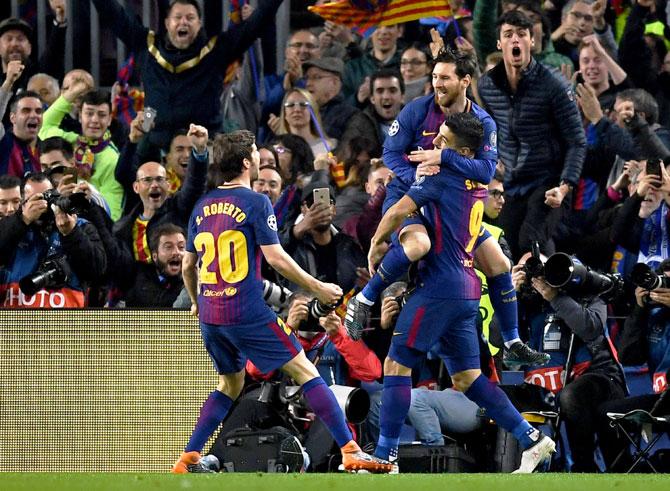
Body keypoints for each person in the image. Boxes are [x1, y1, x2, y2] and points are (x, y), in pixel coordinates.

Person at [173, 129, 393, 474]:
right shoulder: (255, 201)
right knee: (305, 370)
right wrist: (318, 287)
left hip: (212, 314)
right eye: (256, 152)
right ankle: (351, 451)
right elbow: (275, 258)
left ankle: (189, 457)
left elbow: (189, 264)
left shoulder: (202, 205)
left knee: (230, 384)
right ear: (247, 162)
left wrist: (199, 302)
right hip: (245, 309)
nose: (260, 156)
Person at [365, 112, 555, 473]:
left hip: (440, 287)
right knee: (467, 378)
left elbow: (399, 211)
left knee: (396, 364)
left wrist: (375, 243)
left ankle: (384, 455)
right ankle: (532, 438)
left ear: (463, 152)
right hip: (468, 288)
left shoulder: (443, 178)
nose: (435, 143)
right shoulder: (475, 183)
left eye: (443, 140)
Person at [346, 47, 546, 366]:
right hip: (410, 196)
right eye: (434, 77)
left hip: (453, 203)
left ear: (465, 81)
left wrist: (442, 158)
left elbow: (485, 170)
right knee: (418, 244)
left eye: (444, 78)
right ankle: (363, 300)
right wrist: (419, 176)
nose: (437, 84)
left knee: (499, 266)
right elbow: (391, 154)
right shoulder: (416, 110)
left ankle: (511, 342)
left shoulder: (482, 123)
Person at [90, 0, 285, 152]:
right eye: (178, 17)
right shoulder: (147, 46)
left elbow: (258, 22)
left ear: (199, 24)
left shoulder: (216, 51)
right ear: (167, 23)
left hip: (203, 147)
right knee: (127, 171)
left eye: (190, 18)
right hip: (155, 146)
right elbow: (112, 15)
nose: (183, 22)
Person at [478, 10, 586, 260]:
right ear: (499, 43)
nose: (515, 40)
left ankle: (554, 293)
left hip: (549, 181)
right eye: (508, 35)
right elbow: (491, 128)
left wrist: (564, 186)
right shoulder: (487, 85)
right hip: (512, 183)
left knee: (531, 241)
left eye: (521, 34)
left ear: (532, 41)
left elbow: (577, 142)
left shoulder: (554, 85)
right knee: (502, 246)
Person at [0, 172, 106, 308]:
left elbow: (97, 271)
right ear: (22, 202)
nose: (42, 205)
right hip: (15, 324)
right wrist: (23, 220)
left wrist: (70, 233)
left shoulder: (80, 226)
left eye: (46, 197)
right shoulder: (11, 227)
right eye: (35, 200)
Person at [39, 84, 125, 221]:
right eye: (89, 113)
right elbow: (43, 127)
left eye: (101, 115)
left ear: (109, 120)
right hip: (58, 215)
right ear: (80, 116)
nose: (94, 120)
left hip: (90, 226)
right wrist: (71, 94)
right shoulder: (72, 141)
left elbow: (112, 215)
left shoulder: (113, 160)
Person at [121, 223, 186, 308]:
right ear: (155, 256)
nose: (176, 252)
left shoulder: (193, 284)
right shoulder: (136, 276)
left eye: (181, 247)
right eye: (168, 247)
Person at [0, 90, 43, 177]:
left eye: (38, 111)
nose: (33, 115)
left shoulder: (48, 148)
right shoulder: (4, 142)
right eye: (26, 110)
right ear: (13, 118)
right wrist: (8, 83)